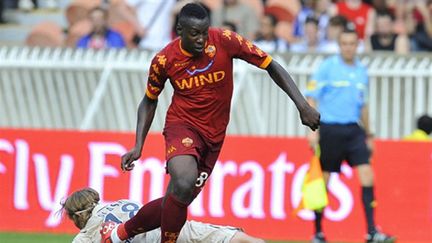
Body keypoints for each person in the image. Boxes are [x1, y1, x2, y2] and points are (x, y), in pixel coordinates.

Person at [100, 3, 320, 243]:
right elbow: (149, 100)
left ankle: (116, 234)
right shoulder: (164, 59)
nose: (202, 39)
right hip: (182, 126)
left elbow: (271, 65)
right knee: (183, 181)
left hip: (214, 137)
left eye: (205, 32)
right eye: (195, 33)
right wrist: (138, 145)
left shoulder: (225, 40)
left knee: (178, 199)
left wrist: (303, 106)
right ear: (180, 30)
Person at [305, 28, 395, 243]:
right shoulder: (327, 68)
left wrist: (369, 133)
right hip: (330, 129)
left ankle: (371, 231)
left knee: (367, 176)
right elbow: (311, 99)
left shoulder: (361, 71)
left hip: (354, 130)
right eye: (344, 43)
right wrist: (312, 131)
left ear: (357, 45)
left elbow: (363, 105)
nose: (348, 47)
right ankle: (318, 232)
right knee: (323, 181)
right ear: (339, 45)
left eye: (352, 43)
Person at [62, 188, 265, 243]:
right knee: (229, 238)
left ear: (75, 215)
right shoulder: (121, 202)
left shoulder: (85, 236)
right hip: (172, 228)